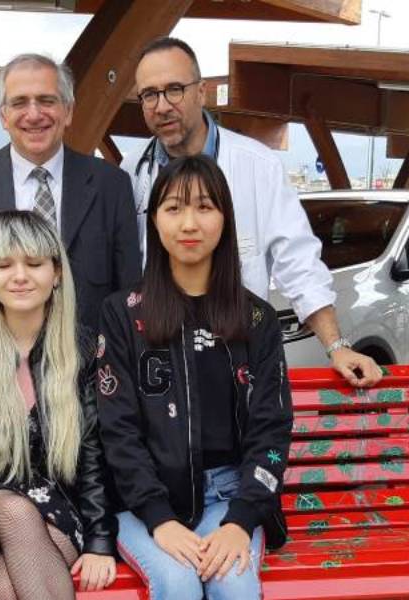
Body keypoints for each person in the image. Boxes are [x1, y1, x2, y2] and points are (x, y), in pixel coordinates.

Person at [122, 36, 382, 387]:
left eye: (174, 89)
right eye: (149, 94)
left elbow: (298, 261)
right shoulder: (129, 171)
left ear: (201, 92)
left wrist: (336, 346)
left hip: (236, 358)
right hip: (157, 360)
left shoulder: (258, 166)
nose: (162, 105)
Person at [97, 156, 293, 600]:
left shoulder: (257, 319)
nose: (189, 223)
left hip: (232, 496)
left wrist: (241, 521)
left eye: (205, 207)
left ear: (225, 217)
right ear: (154, 220)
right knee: (178, 583)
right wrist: (159, 518)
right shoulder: (124, 314)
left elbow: (272, 429)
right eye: (173, 208)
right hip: (147, 502)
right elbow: (118, 430)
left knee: (236, 588)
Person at [0, 210, 118, 599]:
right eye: (3, 265)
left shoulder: (81, 348)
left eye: (34, 264)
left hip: (58, 505)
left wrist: (100, 539)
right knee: (16, 514)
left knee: (11, 577)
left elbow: (92, 452)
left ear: (57, 273)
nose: (19, 276)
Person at [0, 53, 141, 335]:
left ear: (68, 111)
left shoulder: (110, 184)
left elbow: (128, 295)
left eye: (46, 100)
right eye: (19, 102)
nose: (34, 114)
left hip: (89, 369)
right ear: (3, 116)